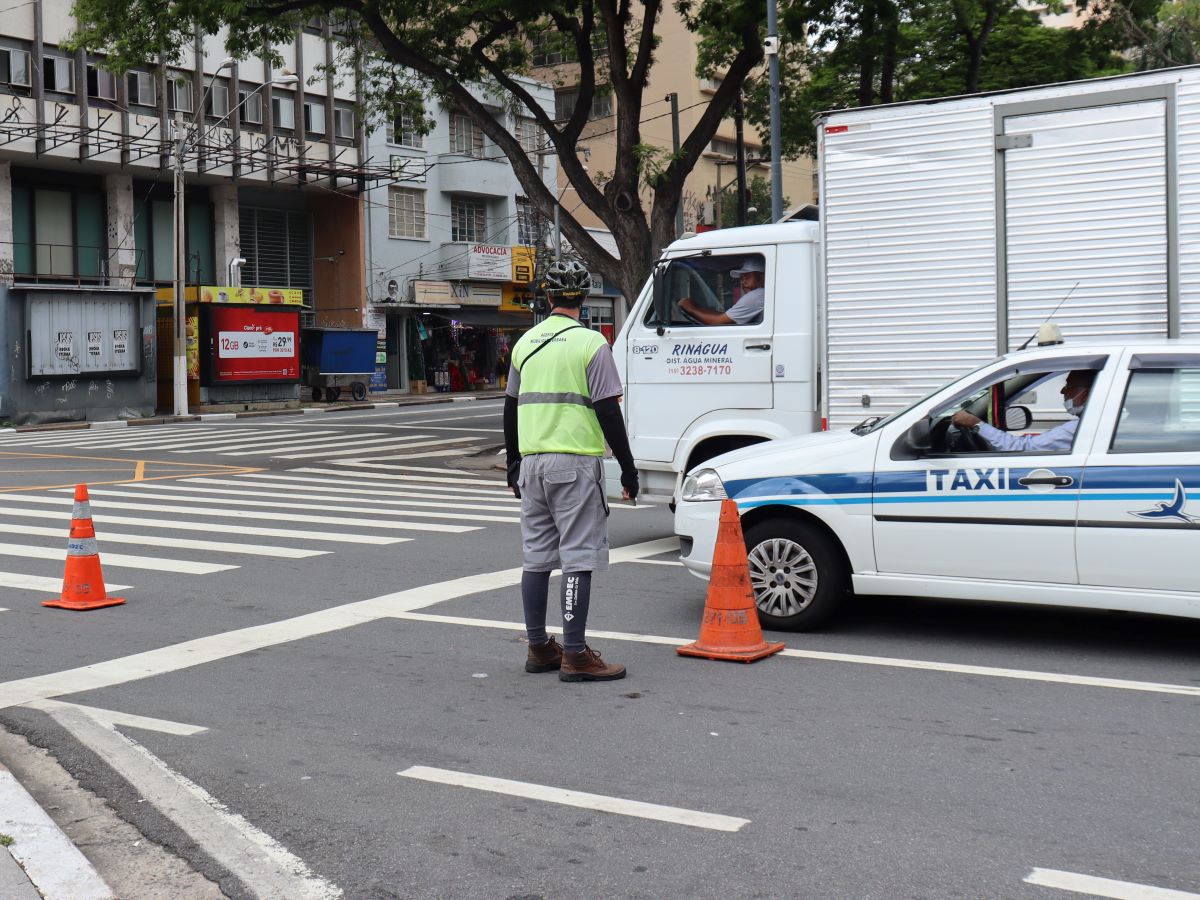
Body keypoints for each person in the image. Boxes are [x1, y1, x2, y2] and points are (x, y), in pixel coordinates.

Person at [504, 259, 639, 682]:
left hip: (532, 465)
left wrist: (513, 463)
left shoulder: (524, 343)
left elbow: (510, 407)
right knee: (577, 557)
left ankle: (539, 646)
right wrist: (629, 469)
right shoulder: (591, 345)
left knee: (537, 558)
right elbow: (607, 411)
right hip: (575, 464)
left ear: (547, 298)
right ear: (583, 298)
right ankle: (576, 654)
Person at [951, 370, 1096, 452]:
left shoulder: (1078, 429)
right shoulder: (1085, 426)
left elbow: (1023, 448)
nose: (1062, 390)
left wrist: (976, 424)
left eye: (1069, 386)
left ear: (1087, 394)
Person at [678, 258, 765, 325]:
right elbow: (726, 315)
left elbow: (718, 321)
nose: (743, 282)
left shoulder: (758, 295)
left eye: (747, 277)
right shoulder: (762, 294)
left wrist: (691, 309)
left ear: (761, 277)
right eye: (742, 278)